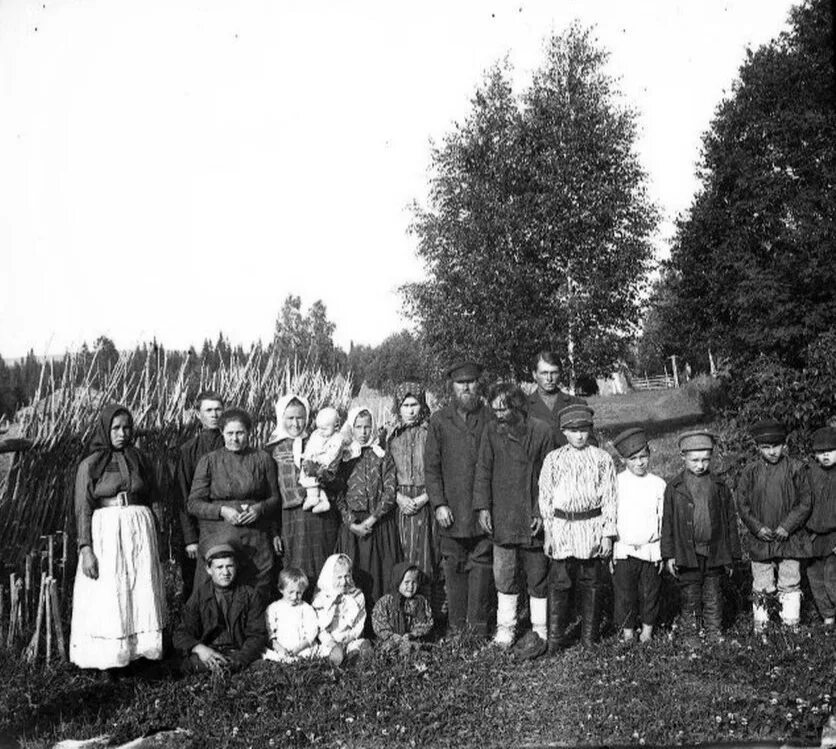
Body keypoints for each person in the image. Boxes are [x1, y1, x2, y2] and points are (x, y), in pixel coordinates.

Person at [70, 404, 167, 670]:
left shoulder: (141, 459)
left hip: (139, 529)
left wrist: (157, 531)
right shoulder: (90, 465)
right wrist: (85, 547)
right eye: (115, 428)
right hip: (107, 531)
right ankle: (108, 659)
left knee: (139, 586)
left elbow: (155, 496)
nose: (122, 433)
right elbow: (83, 508)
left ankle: (140, 655)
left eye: (126, 427)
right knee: (110, 590)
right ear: (105, 429)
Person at [473, 383, 553, 658]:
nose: (498, 415)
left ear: (518, 407)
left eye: (504, 409)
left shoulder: (541, 431)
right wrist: (483, 507)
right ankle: (506, 629)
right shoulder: (491, 431)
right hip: (503, 515)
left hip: (532, 515)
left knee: (537, 574)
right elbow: (483, 469)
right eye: (494, 410)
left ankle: (540, 629)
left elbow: (549, 476)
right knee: (504, 574)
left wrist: (541, 510)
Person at [425, 360, 494, 637]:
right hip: (451, 510)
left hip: (482, 511)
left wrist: (487, 506)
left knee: (481, 566)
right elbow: (431, 468)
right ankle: (456, 628)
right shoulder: (439, 420)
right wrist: (439, 503)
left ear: (479, 385)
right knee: (453, 567)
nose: (466, 387)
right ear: (452, 387)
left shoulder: (490, 417)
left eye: (471, 382)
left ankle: (477, 628)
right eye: (460, 383)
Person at [539, 405, 616, 650]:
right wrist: (549, 532)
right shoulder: (554, 459)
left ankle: (589, 637)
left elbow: (610, 497)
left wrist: (607, 534)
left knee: (591, 581)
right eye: (573, 431)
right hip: (562, 527)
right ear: (564, 432)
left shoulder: (602, 459)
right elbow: (546, 497)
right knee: (560, 582)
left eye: (583, 430)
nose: (579, 435)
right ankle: (555, 639)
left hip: (591, 526)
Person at [188, 408, 282, 601]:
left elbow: (275, 498)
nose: (235, 439)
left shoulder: (262, 459)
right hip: (219, 535)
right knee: (220, 593)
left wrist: (259, 508)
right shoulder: (209, 461)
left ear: (249, 432)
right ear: (222, 432)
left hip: (256, 537)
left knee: (257, 590)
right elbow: (194, 504)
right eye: (230, 433)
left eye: (240, 433)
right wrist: (221, 510)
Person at [662, 431, 740, 641]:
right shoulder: (675, 488)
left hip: (714, 551)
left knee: (713, 595)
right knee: (690, 596)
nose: (700, 465)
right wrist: (669, 555)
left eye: (706, 459)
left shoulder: (719, 486)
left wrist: (732, 554)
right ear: (682, 457)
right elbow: (667, 522)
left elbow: (730, 520)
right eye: (694, 460)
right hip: (687, 553)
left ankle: (714, 632)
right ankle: (691, 636)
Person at [736, 420, 811, 632]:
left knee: (790, 580)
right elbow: (742, 504)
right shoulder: (750, 472)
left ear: (784, 445)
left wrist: (787, 526)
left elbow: (805, 502)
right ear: (757, 447)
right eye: (766, 447)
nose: (772, 452)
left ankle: (790, 625)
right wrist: (757, 527)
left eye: (776, 446)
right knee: (761, 583)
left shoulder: (796, 469)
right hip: (761, 539)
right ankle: (762, 627)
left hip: (790, 539)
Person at [267, 394, 341, 586]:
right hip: (291, 518)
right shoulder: (272, 449)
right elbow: (269, 491)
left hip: (320, 516)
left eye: (300, 417)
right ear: (281, 418)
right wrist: (274, 530)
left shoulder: (318, 440)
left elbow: (335, 474)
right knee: (296, 569)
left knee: (324, 565)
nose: (295, 423)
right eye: (290, 418)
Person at [336, 407, 402, 610]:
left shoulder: (382, 456)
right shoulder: (343, 458)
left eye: (367, 427)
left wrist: (373, 519)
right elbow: (338, 495)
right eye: (358, 427)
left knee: (380, 571)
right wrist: (351, 523)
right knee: (356, 571)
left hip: (378, 524)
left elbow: (390, 491)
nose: (363, 432)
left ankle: (381, 621)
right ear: (351, 428)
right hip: (353, 527)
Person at [386, 381, 441, 615]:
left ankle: (426, 613)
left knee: (426, 554)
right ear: (398, 408)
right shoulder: (390, 438)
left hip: (424, 500)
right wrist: (398, 497)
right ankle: (402, 614)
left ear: (422, 406)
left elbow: (440, 471)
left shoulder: (431, 434)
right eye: (405, 405)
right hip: (399, 503)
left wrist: (423, 498)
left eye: (414, 404)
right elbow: (385, 474)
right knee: (402, 553)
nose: (410, 410)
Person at [172, 543, 267, 673]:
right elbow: (181, 634)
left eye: (229, 566)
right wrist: (199, 648)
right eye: (219, 567)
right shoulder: (200, 595)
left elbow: (257, 635)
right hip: (208, 651)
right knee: (184, 665)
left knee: (258, 664)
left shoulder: (250, 594)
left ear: (236, 566)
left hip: (237, 651)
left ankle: (227, 668)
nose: (225, 572)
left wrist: (239, 660)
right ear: (209, 569)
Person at [611, 427, 666, 644]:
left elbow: (663, 520)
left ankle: (647, 631)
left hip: (650, 549)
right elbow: (611, 518)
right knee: (625, 593)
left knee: (649, 593)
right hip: (624, 549)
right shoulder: (616, 483)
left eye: (643, 456)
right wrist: (613, 550)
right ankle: (627, 631)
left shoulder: (658, 484)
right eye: (633, 459)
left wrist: (661, 551)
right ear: (624, 460)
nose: (640, 463)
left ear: (649, 455)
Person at [174, 390, 225, 601]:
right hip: (199, 526)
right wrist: (189, 538)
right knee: (198, 584)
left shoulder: (231, 442)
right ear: (198, 414)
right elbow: (182, 494)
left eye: (218, 409)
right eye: (209, 410)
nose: (214, 415)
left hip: (226, 524)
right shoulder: (189, 450)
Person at [312, 553, 372, 665]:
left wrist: (351, 636)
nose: (344, 582)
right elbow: (319, 626)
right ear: (330, 576)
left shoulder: (357, 596)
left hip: (349, 637)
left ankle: (355, 655)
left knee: (358, 644)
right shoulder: (321, 598)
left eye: (347, 576)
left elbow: (360, 621)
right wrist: (330, 641)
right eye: (339, 577)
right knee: (326, 651)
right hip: (331, 640)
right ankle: (338, 656)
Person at [263, 567, 325, 663]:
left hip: (301, 646)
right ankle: (283, 657)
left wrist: (299, 648)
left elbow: (311, 631)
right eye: (291, 592)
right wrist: (278, 647)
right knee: (266, 652)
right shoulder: (273, 608)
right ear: (281, 589)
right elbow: (270, 630)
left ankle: (295, 658)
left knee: (312, 652)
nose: (294, 597)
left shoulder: (306, 608)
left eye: (299, 593)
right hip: (281, 645)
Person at [526, 351, 588, 447]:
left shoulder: (577, 404)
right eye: (544, 373)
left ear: (560, 374)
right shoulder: (523, 407)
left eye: (554, 373)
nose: (549, 378)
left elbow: (590, 445)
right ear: (534, 375)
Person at [806, 427, 836, 626]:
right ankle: (828, 619)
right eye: (820, 451)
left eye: (831, 450)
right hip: (813, 537)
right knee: (816, 580)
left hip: (834, 537)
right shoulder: (809, 473)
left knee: (832, 580)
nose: (825, 455)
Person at [372, 562, 434, 654]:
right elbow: (378, 622)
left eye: (414, 582)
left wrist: (413, 634)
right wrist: (391, 635)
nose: (410, 586)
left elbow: (427, 621)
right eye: (407, 582)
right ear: (398, 581)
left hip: (413, 639)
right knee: (388, 649)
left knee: (418, 647)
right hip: (391, 639)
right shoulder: (386, 602)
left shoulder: (420, 602)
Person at [300, 406, 344, 514]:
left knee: (313, 474)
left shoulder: (337, 438)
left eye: (324, 429)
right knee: (305, 471)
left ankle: (313, 497)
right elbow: (310, 446)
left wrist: (319, 462)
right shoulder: (316, 434)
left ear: (336, 426)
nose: (320, 431)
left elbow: (333, 455)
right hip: (315, 461)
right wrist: (308, 456)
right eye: (318, 427)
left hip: (327, 467)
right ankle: (322, 500)